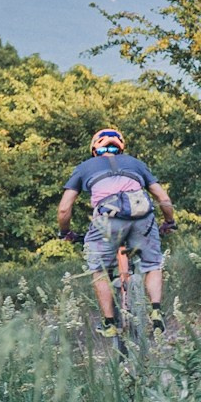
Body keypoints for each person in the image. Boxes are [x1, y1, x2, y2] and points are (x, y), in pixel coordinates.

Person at [57, 127, 177, 338]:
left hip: (108, 220)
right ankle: (157, 310)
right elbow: (164, 199)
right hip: (143, 217)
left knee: (99, 269)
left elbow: (64, 208)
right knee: (152, 264)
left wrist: (65, 232)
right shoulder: (136, 163)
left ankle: (109, 322)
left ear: (94, 148)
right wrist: (169, 221)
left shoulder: (85, 167)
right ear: (121, 147)